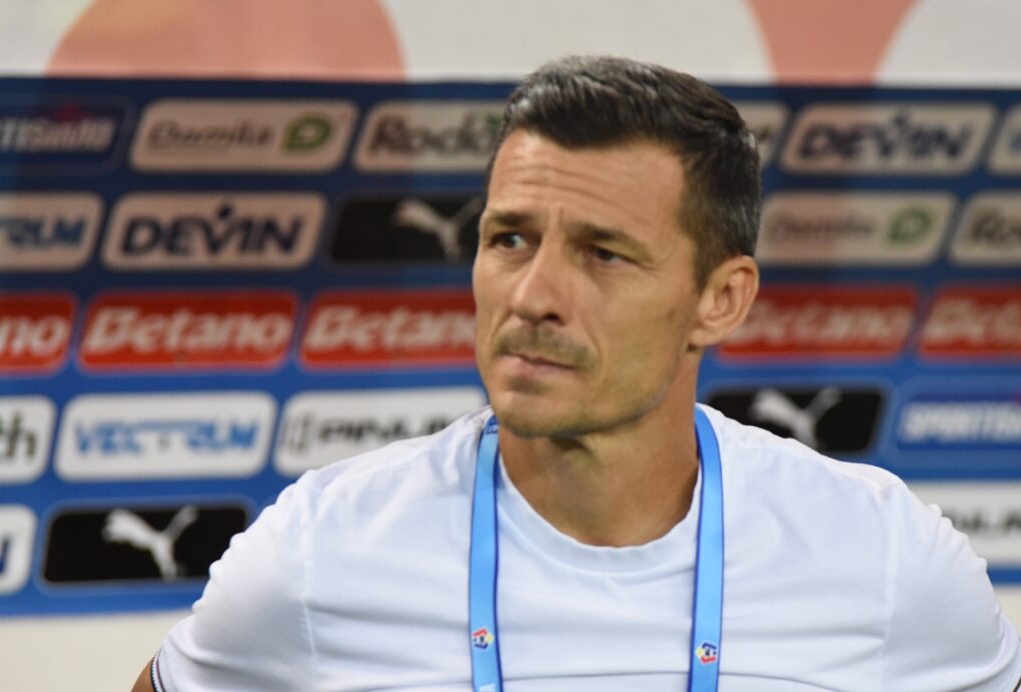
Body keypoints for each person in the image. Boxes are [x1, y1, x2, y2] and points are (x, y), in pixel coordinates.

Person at [133, 56, 1021, 691]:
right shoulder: (317, 554)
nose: (533, 297)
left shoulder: (887, 558)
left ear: (720, 300)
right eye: (510, 239)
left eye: (603, 253)